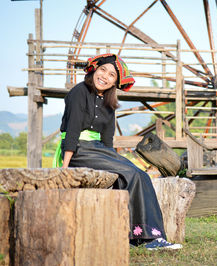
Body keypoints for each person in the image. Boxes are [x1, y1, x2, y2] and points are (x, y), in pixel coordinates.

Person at [53, 53, 182, 250]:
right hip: (79, 150)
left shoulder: (109, 101)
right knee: (130, 174)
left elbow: (107, 139)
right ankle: (144, 239)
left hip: (98, 151)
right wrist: (64, 166)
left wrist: (115, 161)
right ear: (94, 70)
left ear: (115, 82)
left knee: (141, 176)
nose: (104, 76)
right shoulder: (79, 92)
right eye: (102, 70)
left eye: (111, 75)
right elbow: (72, 130)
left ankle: (147, 235)